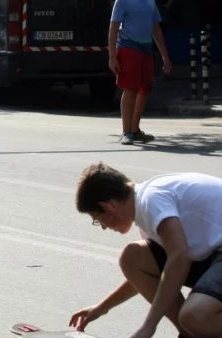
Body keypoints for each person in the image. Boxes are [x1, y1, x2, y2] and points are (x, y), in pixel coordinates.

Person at [70, 162, 222, 338]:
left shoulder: (152, 199)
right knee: (133, 257)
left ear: (109, 206)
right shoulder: (144, 208)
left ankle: (197, 327)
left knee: (195, 315)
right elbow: (152, 277)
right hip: (214, 254)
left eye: (97, 219)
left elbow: (179, 258)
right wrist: (101, 308)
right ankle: (190, 333)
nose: (103, 227)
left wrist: (149, 326)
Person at [108, 0, 172, 145]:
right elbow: (113, 28)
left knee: (144, 90)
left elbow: (155, 28)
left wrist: (164, 55)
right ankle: (126, 131)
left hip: (146, 49)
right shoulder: (122, 2)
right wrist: (112, 57)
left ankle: (135, 130)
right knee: (130, 88)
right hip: (128, 47)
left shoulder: (150, 2)